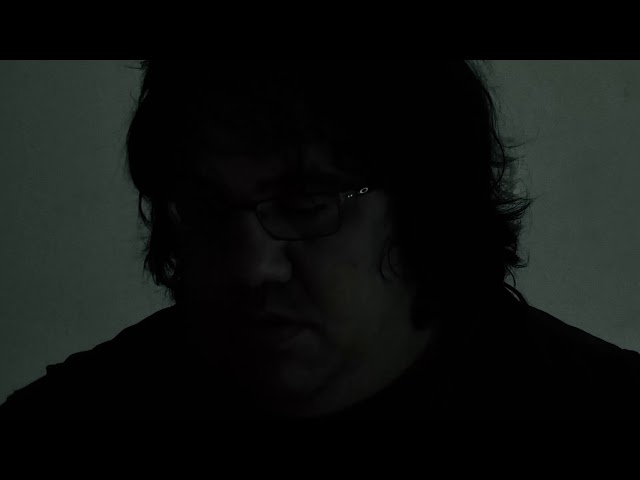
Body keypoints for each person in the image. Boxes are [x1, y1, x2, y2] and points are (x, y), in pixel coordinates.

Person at [2, 59, 640, 438]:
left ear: (426, 202)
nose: (251, 266)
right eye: (206, 208)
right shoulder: (75, 418)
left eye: (305, 205)